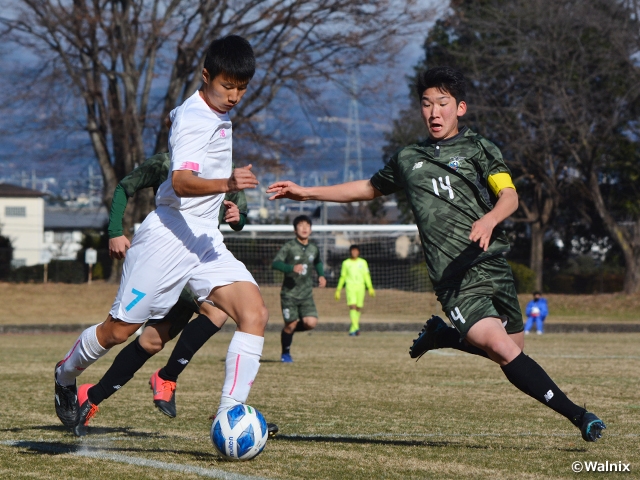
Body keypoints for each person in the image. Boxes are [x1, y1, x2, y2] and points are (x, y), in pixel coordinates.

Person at [266, 66, 605, 442]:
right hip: (454, 278)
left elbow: (509, 195)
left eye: (442, 103)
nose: (433, 112)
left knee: (513, 350)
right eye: (427, 104)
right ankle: (579, 416)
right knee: (502, 348)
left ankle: (443, 335)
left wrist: (490, 219)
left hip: (492, 264)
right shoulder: (408, 158)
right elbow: (366, 188)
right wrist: (306, 193)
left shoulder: (479, 149)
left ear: (460, 108)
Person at [54, 35, 270, 438]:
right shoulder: (194, 117)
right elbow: (183, 182)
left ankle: (230, 414)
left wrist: (230, 202)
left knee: (254, 313)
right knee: (119, 331)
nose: (235, 96)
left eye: (242, 88)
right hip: (168, 236)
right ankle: (66, 374)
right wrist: (228, 182)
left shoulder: (220, 113)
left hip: (204, 240)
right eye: (227, 86)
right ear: (206, 77)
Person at [271, 215, 326, 362]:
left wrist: (321, 275)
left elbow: (318, 262)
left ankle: (289, 330)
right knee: (291, 324)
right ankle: (286, 353)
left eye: (307, 225)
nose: (304, 228)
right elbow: (275, 263)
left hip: (306, 294)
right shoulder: (289, 246)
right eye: (301, 225)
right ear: (295, 230)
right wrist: (290, 268)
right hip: (289, 294)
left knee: (311, 323)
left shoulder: (313, 248)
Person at [335, 245, 375, 336]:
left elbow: (366, 275)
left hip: (361, 287)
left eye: (356, 251)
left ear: (358, 252)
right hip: (350, 287)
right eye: (353, 251)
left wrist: (370, 287)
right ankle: (356, 327)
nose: (354, 253)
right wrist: (338, 289)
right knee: (352, 306)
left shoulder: (363, 262)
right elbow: (343, 277)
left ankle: (353, 329)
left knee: (358, 308)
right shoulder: (346, 263)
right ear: (350, 252)